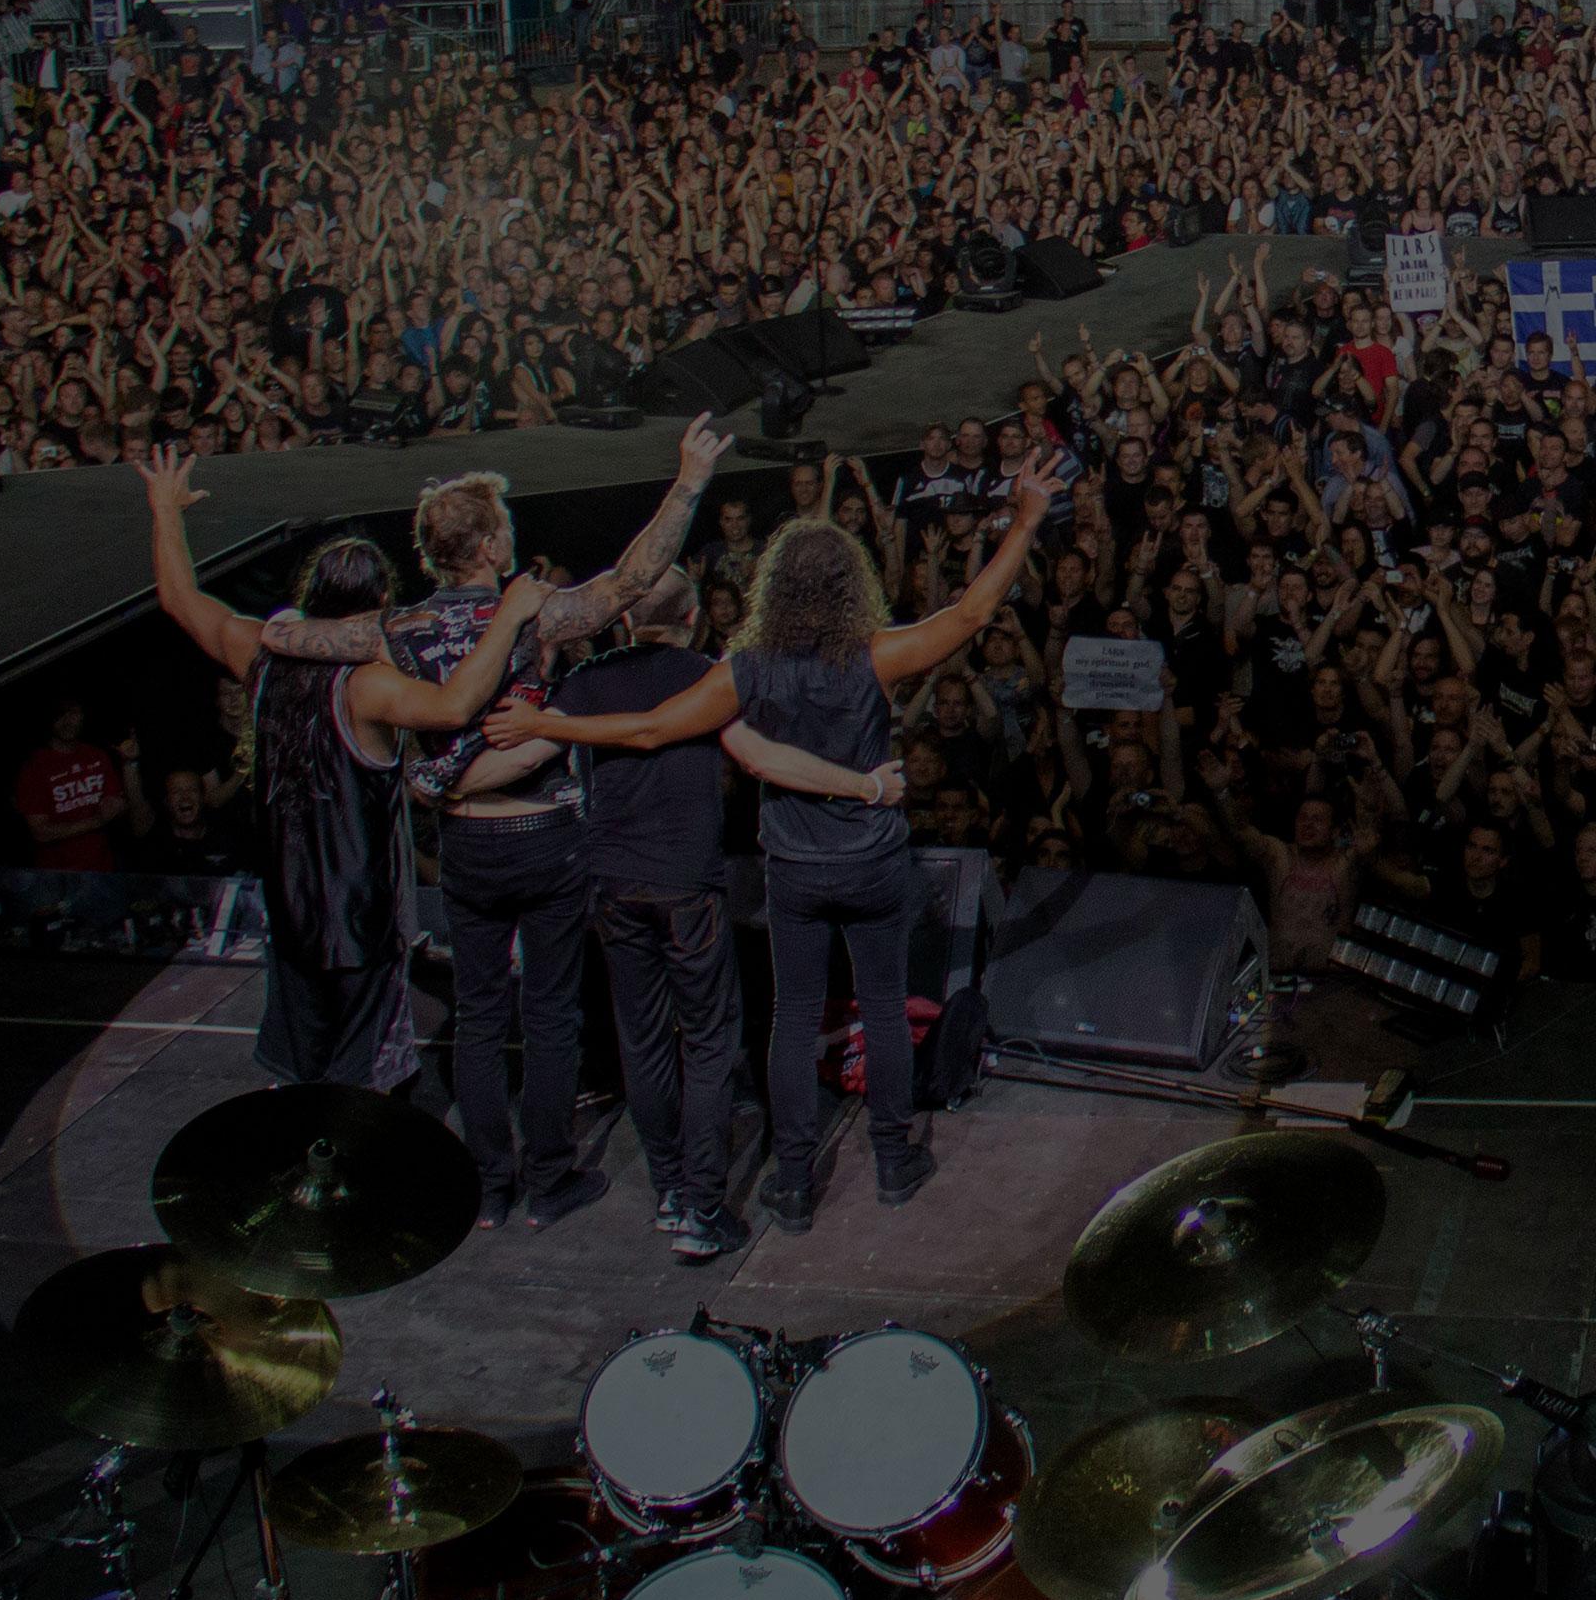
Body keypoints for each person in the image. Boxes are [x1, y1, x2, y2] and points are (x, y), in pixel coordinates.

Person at [486, 450, 1058, 1232]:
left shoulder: (743, 670)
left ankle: (791, 1181)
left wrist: (547, 722)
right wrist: (1025, 517)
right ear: (851, 585)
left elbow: (649, 730)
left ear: (775, 590)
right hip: (872, 860)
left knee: (793, 1017)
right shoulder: (875, 655)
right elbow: (968, 614)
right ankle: (893, 1158)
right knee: (885, 1010)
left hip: (794, 867)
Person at [267, 415, 735, 1228]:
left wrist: (278, 628)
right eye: (504, 528)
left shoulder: (393, 632)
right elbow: (634, 580)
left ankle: (488, 1185)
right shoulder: (533, 614)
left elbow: (290, 636)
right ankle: (549, 1180)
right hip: (541, 834)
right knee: (549, 1012)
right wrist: (689, 480)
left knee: (480, 1014)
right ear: (486, 546)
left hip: (463, 841)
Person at [133, 447, 551, 1091]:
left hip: (289, 905)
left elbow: (179, 597)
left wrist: (164, 509)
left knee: (305, 1065)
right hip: (361, 913)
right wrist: (512, 616)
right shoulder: (368, 685)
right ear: (379, 604)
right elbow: (457, 704)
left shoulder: (262, 657)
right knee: (360, 1076)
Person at [547, 570, 909, 1262]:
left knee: (643, 1038)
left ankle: (669, 1189)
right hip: (686, 884)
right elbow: (764, 759)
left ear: (626, 622)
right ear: (692, 617)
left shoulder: (588, 680)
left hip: (612, 885)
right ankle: (703, 1207)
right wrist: (865, 785)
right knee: (709, 1041)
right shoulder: (709, 678)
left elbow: (539, 755)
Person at [13, 698, 130, 873]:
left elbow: (117, 804)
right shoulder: (35, 767)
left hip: (103, 869)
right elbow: (40, 832)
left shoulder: (96, 755)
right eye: (60, 715)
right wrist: (96, 821)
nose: (68, 721)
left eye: (73, 713)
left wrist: (117, 807)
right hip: (58, 876)